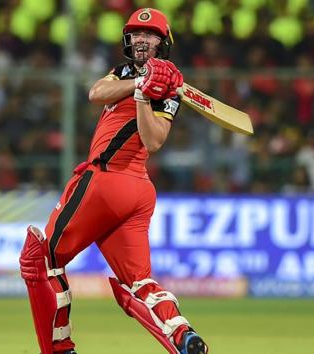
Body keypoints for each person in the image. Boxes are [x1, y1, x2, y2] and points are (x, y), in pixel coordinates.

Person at [18, 8, 209, 354]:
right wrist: (138, 83)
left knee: (40, 259)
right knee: (139, 283)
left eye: (149, 35)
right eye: (136, 34)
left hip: (106, 181)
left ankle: (59, 350)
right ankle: (183, 337)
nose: (141, 39)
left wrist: (144, 98)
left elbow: (153, 141)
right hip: (135, 194)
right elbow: (96, 93)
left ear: (163, 43)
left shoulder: (167, 94)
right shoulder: (124, 73)